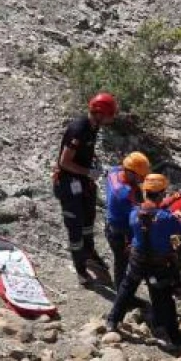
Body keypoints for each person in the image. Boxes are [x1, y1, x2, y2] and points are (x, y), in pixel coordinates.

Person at [106, 174, 181, 345]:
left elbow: (149, 216)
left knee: (126, 289)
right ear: (160, 194)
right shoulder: (167, 218)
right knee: (165, 299)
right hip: (159, 265)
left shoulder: (134, 213)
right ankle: (174, 337)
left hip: (137, 260)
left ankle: (112, 321)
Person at [52, 92, 118, 286]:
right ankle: (80, 268)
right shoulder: (79, 129)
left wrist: (93, 166)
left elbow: (85, 152)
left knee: (89, 219)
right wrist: (88, 171)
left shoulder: (93, 126)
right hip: (68, 182)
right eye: (109, 115)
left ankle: (89, 253)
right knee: (75, 226)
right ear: (99, 113)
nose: (110, 119)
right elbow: (64, 162)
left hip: (83, 181)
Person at [103, 151, 150, 286]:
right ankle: (121, 291)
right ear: (130, 172)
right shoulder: (125, 193)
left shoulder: (115, 171)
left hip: (111, 223)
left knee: (121, 261)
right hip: (120, 231)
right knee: (122, 262)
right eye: (140, 177)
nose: (142, 180)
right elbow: (142, 214)